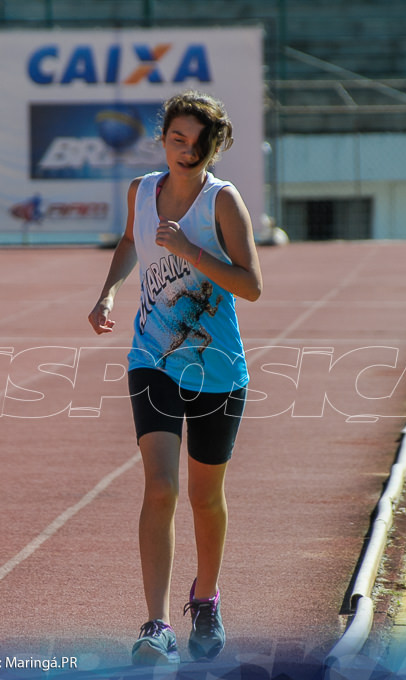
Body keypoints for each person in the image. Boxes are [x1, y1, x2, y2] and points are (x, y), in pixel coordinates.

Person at [87, 91, 262, 665]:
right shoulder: (142, 191)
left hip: (216, 367)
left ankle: (206, 598)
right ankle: (157, 623)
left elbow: (251, 285)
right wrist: (108, 290)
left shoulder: (222, 202)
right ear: (163, 139)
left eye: (198, 143)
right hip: (153, 359)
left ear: (214, 147)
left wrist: (189, 249)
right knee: (161, 487)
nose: (186, 152)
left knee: (205, 498)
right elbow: (131, 240)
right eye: (177, 139)